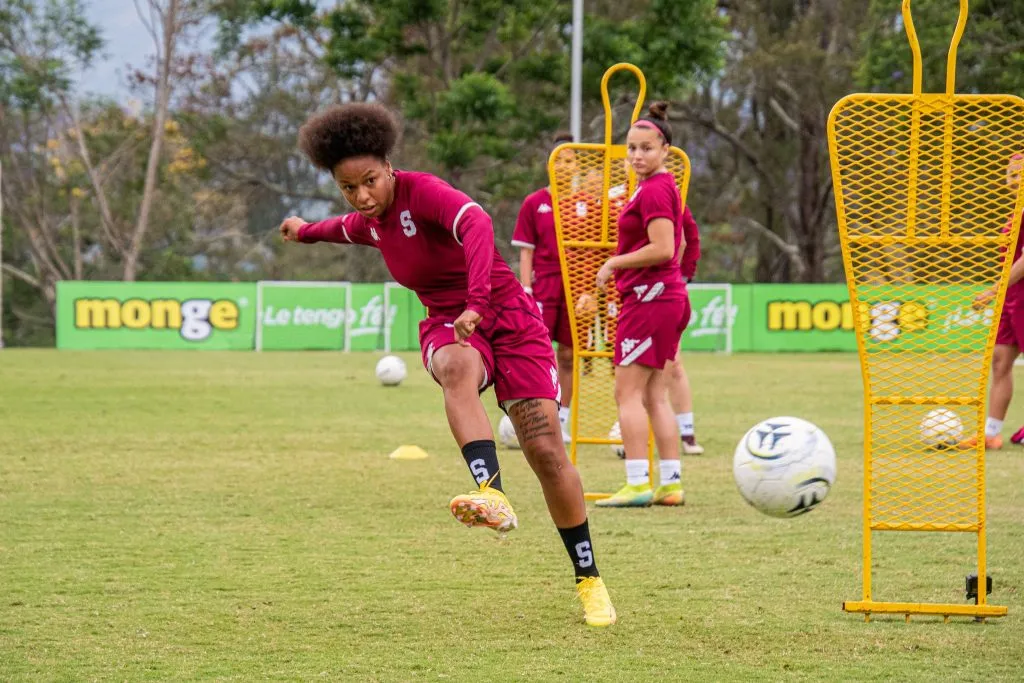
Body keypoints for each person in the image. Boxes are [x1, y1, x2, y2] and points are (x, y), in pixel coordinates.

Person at [278, 103, 615, 626]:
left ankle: (589, 579)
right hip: (448, 323)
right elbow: (340, 229)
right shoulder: (370, 221)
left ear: (389, 167)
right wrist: (302, 231)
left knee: (547, 450)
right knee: (456, 366)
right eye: (349, 188)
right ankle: (492, 494)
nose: (362, 196)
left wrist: (477, 302)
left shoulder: (423, 192)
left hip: (509, 317)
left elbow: (476, 222)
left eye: (370, 181)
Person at [592, 101, 689, 507]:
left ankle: (636, 482)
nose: (637, 156)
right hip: (663, 297)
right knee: (653, 396)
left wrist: (615, 262)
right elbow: (682, 243)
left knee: (626, 393)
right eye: (631, 148)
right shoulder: (661, 188)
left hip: (650, 301)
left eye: (646, 148)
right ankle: (670, 483)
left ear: (665, 149)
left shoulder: (654, 189)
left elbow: (665, 247)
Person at [512, 132, 578, 443]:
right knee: (537, 354)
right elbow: (526, 250)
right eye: (559, 160)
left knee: (568, 354)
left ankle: (562, 419)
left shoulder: (585, 205)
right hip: (544, 287)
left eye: (570, 160)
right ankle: (538, 414)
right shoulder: (534, 203)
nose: (564, 166)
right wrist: (526, 290)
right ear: (549, 165)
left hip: (576, 288)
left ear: (578, 165)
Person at [962, 153, 1024, 450]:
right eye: (1009, 173)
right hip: (1012, 296)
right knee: (1000, 362)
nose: (1012, 178)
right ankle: (991, 433)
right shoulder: (1015, 212)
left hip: (1018, 294)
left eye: (1018, 173)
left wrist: (992, 292)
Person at [666, 206, 705, 455]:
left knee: (673, 362)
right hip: (622, 292)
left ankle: (686, 432)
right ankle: (628, 427)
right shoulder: (613, 197)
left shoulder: (668, 195)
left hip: (661, 292)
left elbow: (688, 239)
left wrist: (680, 278)